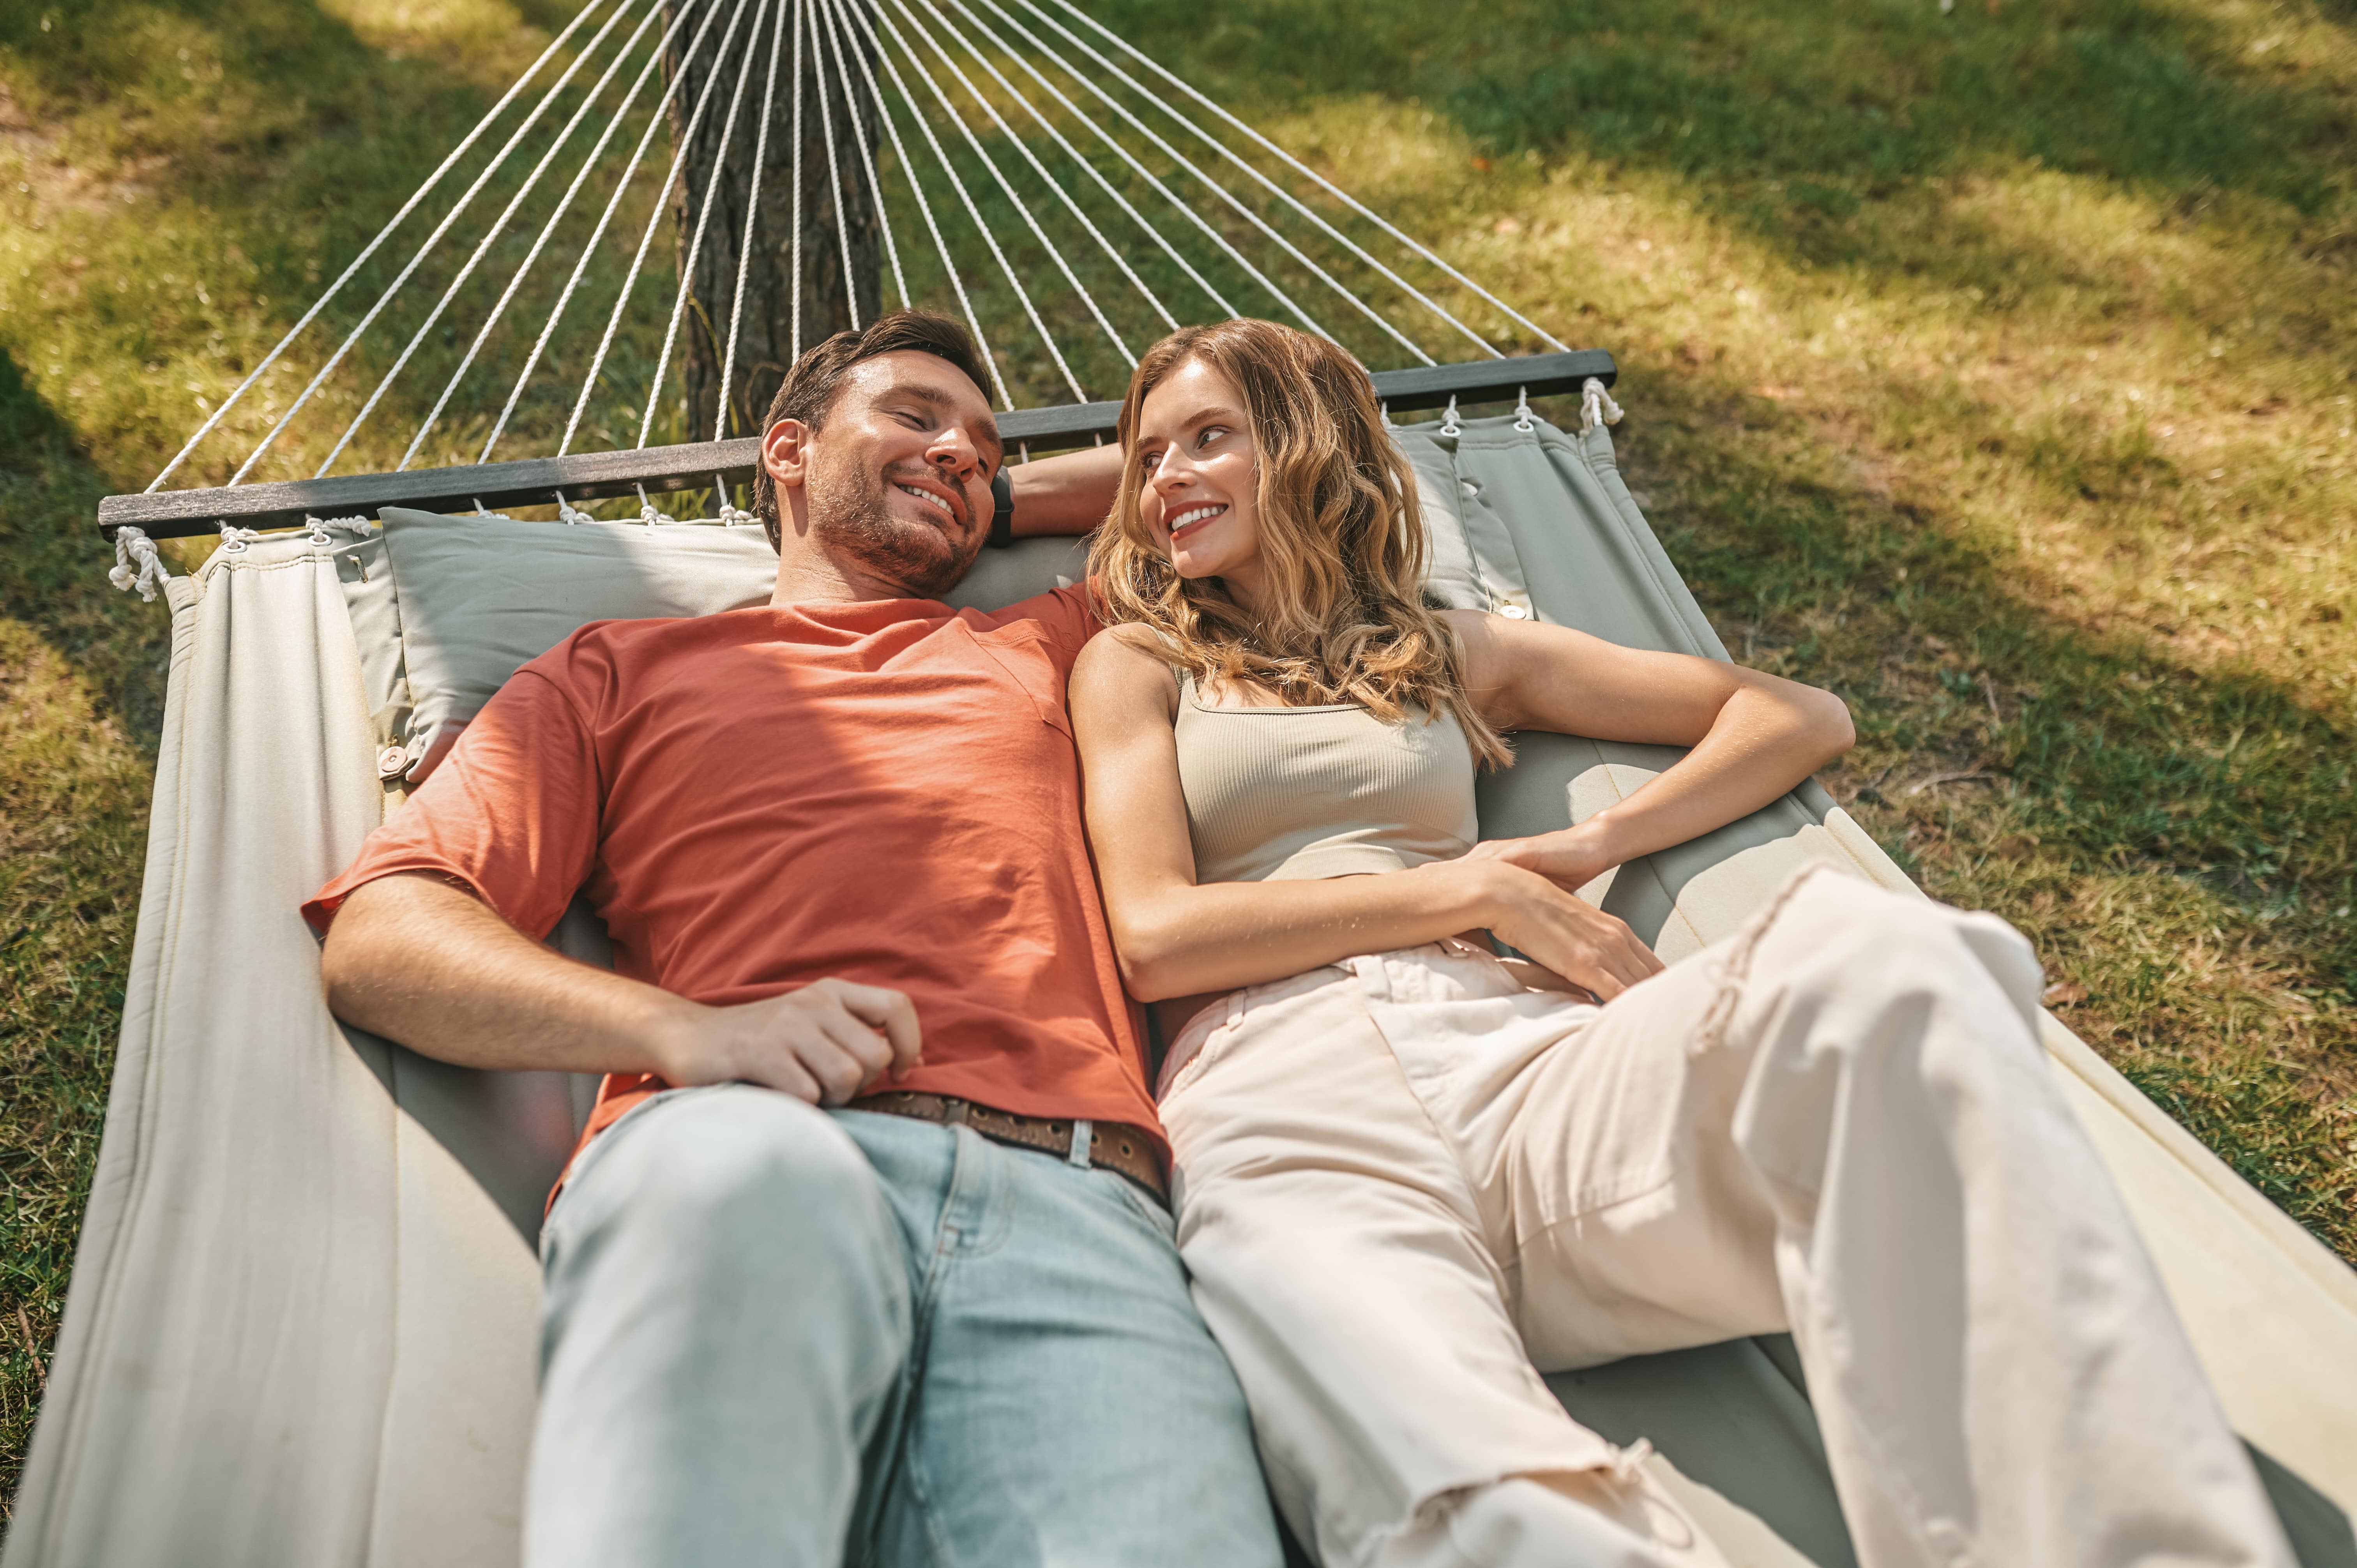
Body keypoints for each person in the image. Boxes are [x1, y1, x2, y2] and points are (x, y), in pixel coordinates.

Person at [1067, 318, 2295, 1568]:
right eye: (1147, 455)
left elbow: (1795, 715)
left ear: (1305, 441)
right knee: (1469, 1489)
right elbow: (1158, 937)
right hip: (1286, 1100)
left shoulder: (1451, 652)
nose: (1164, 479)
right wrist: (1472, 889)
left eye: (1208, 437)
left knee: (1889, 971)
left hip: (1525, 1057)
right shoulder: (1139, 664)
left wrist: (1593, 846)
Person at [306, 310, 1285, 1568]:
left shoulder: (1065, 643)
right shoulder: (613, 672)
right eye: (916, 418)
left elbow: (1276, 459)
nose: (962, 457)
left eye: (985, 451)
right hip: (746, 1144)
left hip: (1077, 1205)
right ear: (786, 451)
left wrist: (976, 494)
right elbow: (384, 936)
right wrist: (687, 1032)